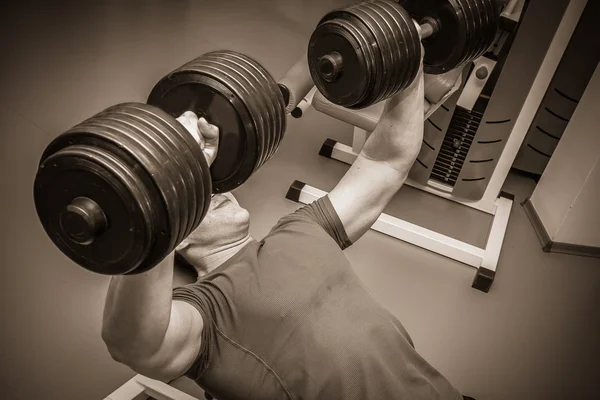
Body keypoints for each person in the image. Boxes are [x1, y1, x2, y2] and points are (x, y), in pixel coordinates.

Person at [101, 49, 473, 400]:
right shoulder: (206, 310)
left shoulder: (300, 228)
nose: (216, 190)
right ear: (173, 238)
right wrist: (167, 181)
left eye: (211, 186)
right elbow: (134, 345)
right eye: (200, 195)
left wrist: (410, 61)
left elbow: (386, 161)